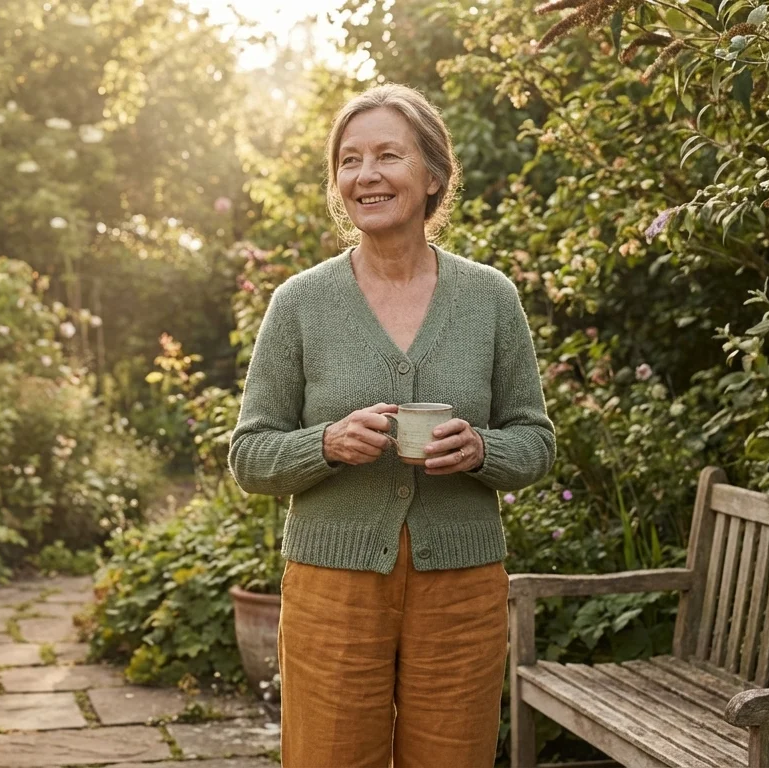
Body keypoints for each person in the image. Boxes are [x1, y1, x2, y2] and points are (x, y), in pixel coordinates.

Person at [227, 83, 555, 767]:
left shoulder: (490, 298)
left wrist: (480, 450)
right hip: (332, 583)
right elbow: (250, 455)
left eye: (388, 156)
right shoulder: (301, 303)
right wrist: (327, 443)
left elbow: (535, 442)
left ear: (434, 175)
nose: (366, 175)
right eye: (350, 160)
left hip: (461, 584)